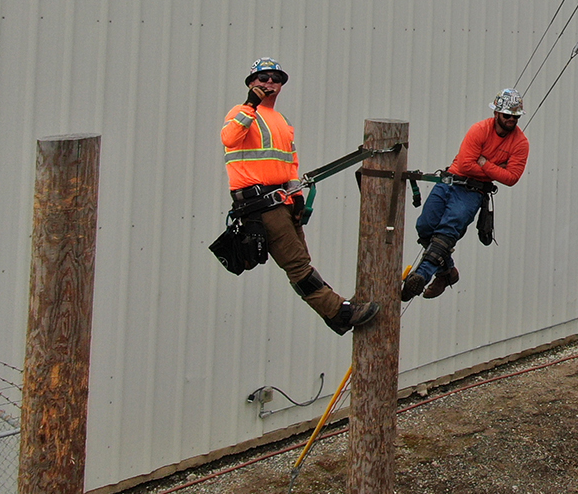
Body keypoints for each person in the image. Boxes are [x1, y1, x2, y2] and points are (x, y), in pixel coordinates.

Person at [221, 58, 379, 335]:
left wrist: (296, 194)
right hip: (260, 204)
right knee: (297, 263)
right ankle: (338, 312)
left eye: (276, 78)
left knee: (301, 259)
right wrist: (249, 105)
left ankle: (336, 309)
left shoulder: (281, 120)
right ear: (251, 83)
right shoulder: (241, 112)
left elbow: (290, 161)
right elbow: (230, 138)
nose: (270, 83)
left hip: (281, 199)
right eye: (263, 77)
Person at [403, 89, 530, 302]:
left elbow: (511, 178)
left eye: (515, 116)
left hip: (474, 191)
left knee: (448, 230)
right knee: (425, 227)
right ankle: (447, 272)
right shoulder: (479, 130)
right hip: (449, 181)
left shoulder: (520, 143)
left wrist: (484, 163)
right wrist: (495, 169)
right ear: (497, 113)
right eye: (507, 115)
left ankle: (421, 276)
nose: (511, 120)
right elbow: (465, 164)